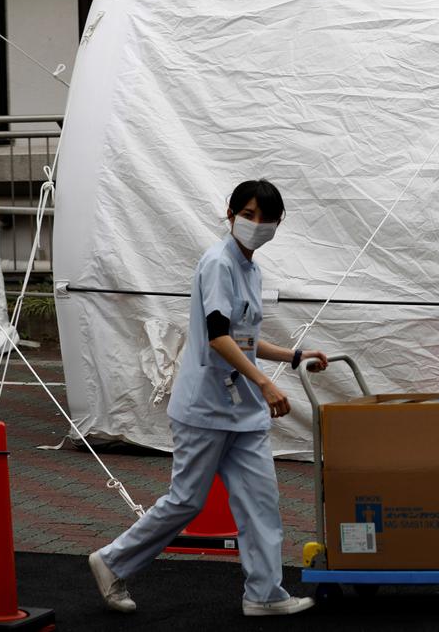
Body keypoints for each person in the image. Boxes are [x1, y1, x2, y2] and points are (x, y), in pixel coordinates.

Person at [89, 179, 328, 616]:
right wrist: (265, 382)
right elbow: (218, 337)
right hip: (205, 408)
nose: (256, 224)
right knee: (187, 501)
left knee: (260, 501)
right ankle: (111, 561)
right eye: (249, 214)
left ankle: (264, 594)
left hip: (241, 412)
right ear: (230, 213)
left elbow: (243, 338)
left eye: (265, 218)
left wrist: (293, 355)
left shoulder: (250, 268)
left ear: (278, 224)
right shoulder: (219, 263)